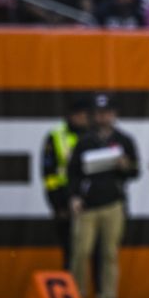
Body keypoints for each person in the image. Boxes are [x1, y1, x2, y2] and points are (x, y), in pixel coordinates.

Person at [67, 94, 140, 298]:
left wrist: (124, 166)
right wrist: (74, 197)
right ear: (94, 115)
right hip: (88, 206)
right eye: (99, 113)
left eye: (107, 112)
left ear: (114, 114)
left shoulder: (124, 139)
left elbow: (135, 171)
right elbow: (72, 173)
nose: (104, 117)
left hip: (113, 205)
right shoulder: (84, 140)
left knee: (109, 253)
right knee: (81, 252)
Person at [42, 97, 91, 268]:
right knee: (71, 251)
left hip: (90, 200)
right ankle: (71, 291)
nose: (84, 118)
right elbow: (49, 175)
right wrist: (58, 205)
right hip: (65, 201)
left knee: (96, 252)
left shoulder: (92, 135)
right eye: (81, 115)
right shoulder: (56, 136)